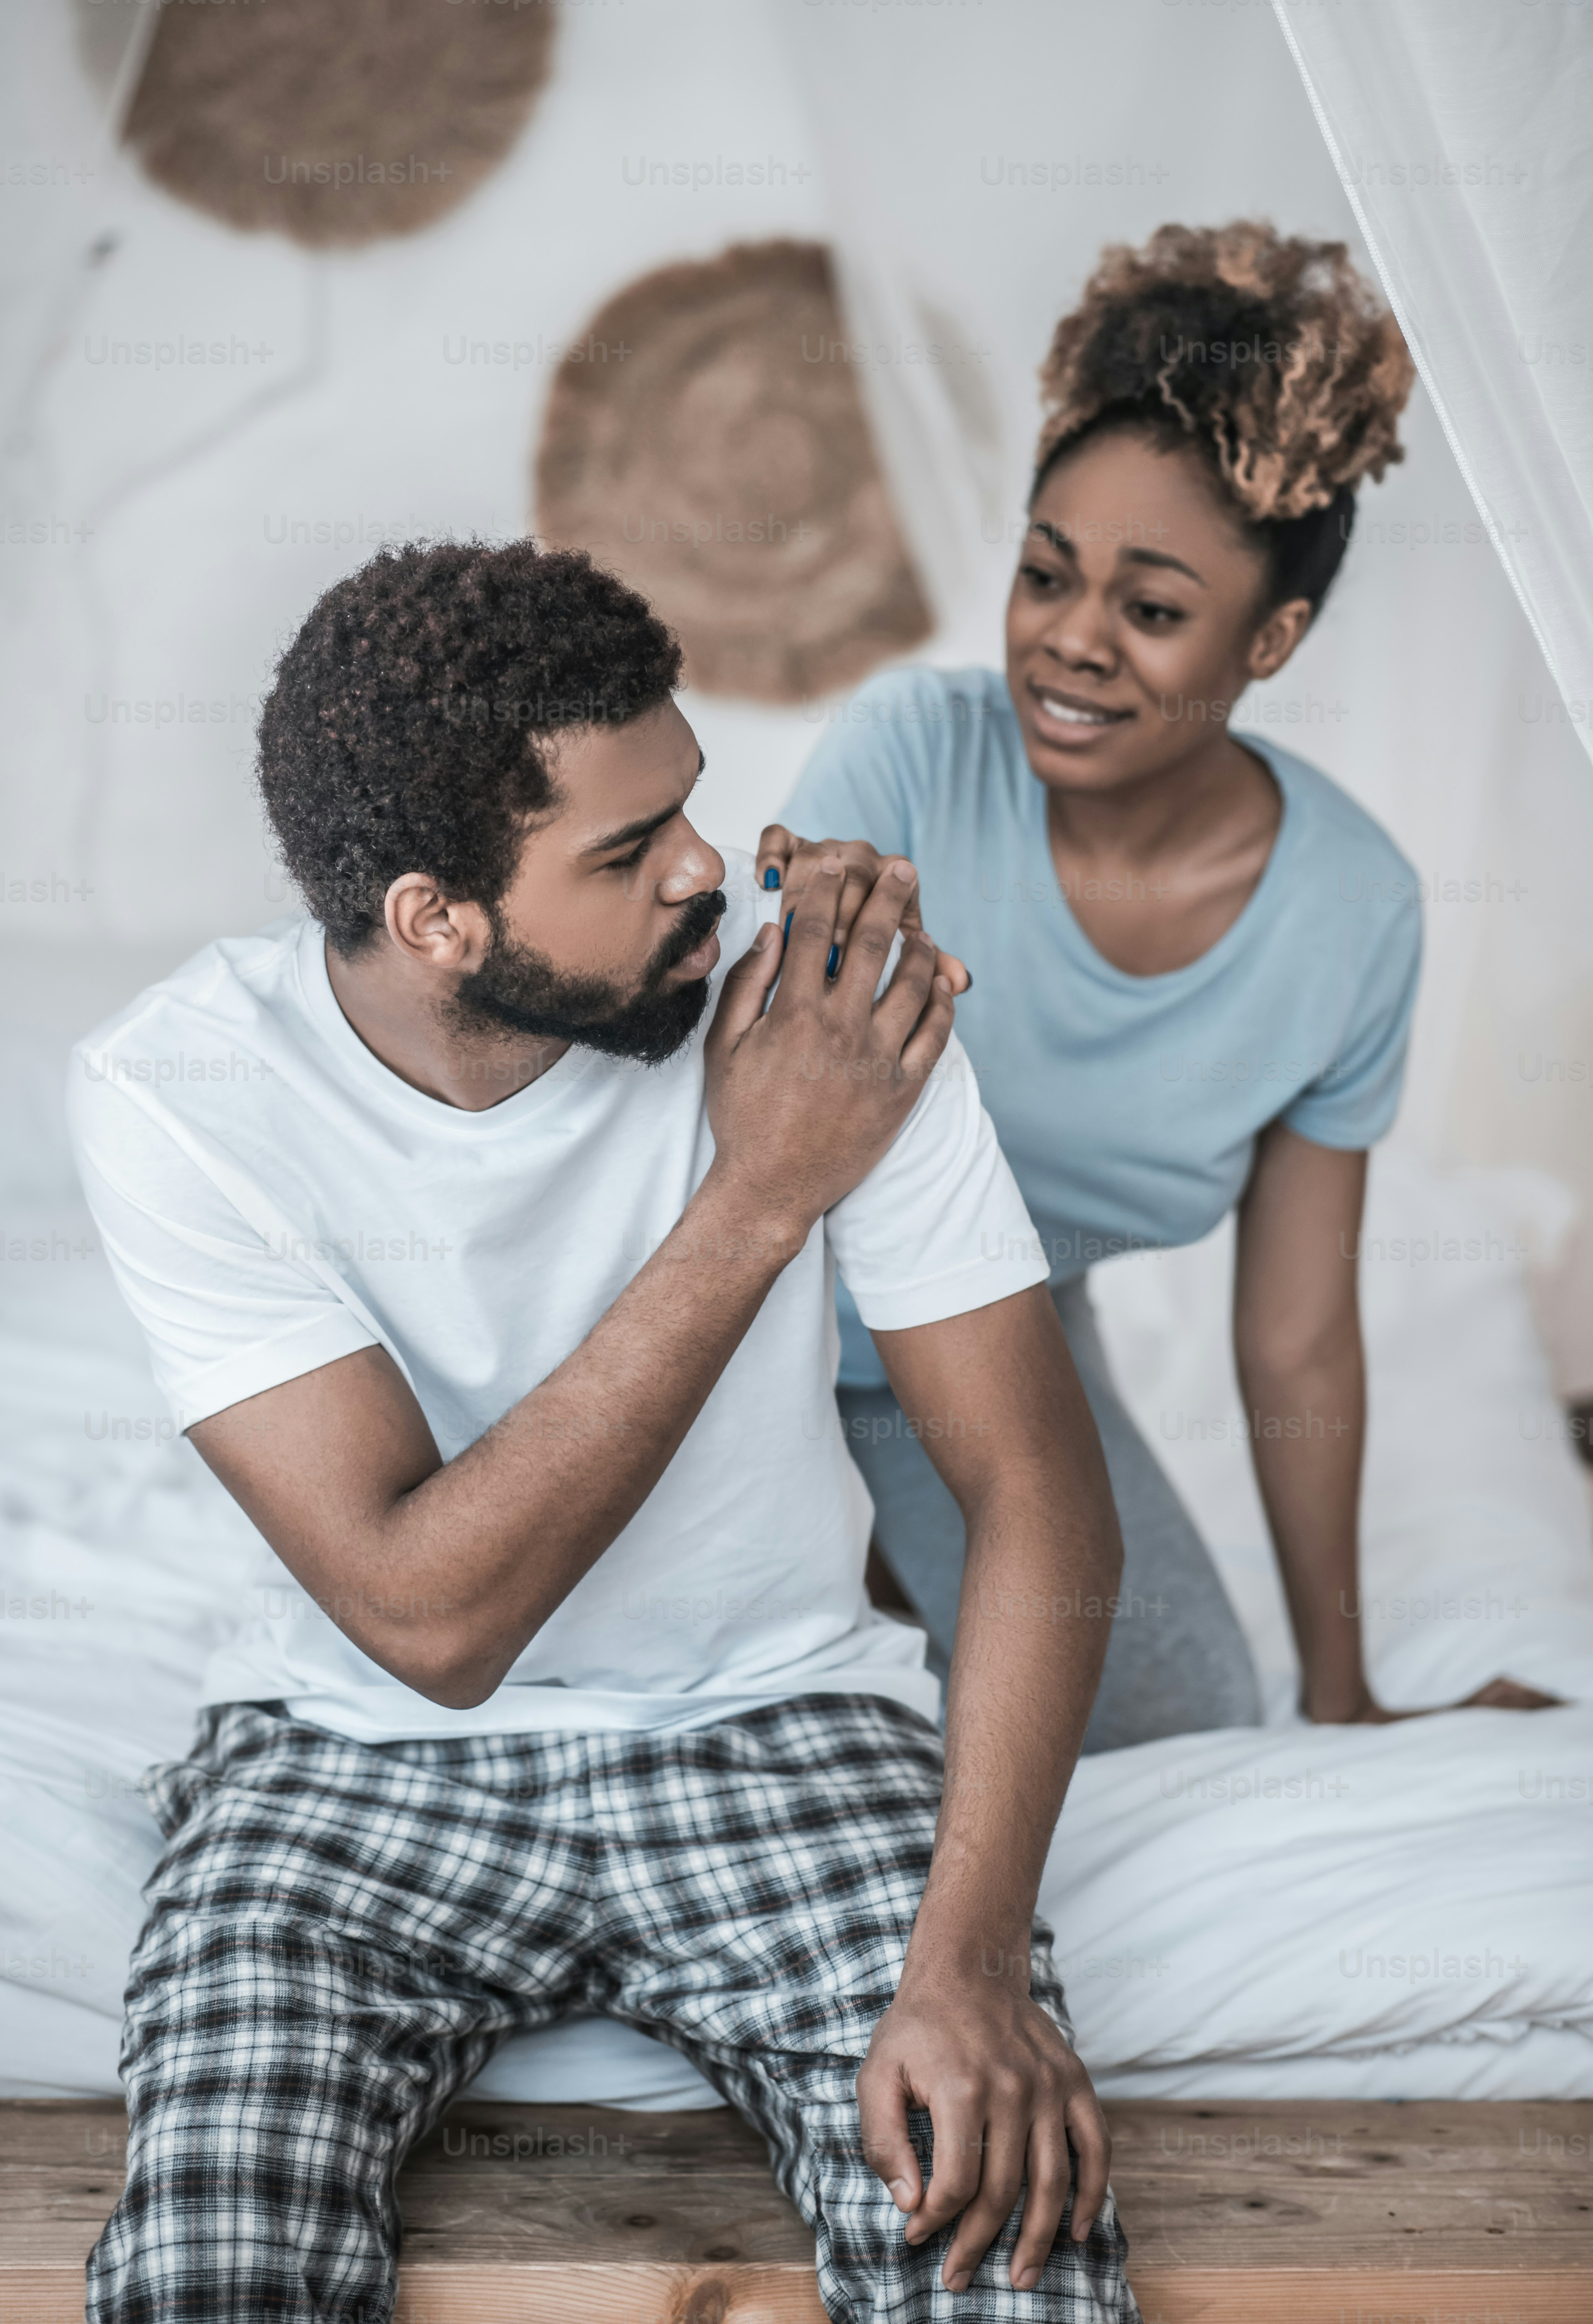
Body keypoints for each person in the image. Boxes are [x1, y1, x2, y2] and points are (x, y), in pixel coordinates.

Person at [68, 539, 1141, 2324]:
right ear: (438, 920)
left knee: (1010, 2262)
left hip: (781, 1718)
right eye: (628, 855)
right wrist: (759, 1192)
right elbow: (432, 1622)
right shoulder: (179, 1089)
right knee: (210, 2274)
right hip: (353, 1759)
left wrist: (968, 1965)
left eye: (689, 808)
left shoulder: (826, 1008)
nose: (705, 871)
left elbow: (1037, 1489)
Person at [776, 220, 1556, 1743]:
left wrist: (1341, 1696)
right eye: (1046, 574)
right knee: (754, 1704)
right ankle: (857, 1587)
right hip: (749, 1328)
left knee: (1189, 1722)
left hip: (989, 1357)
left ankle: (900, 1581)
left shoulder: (1352, 914)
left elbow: (1296, 1337)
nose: (1069, 644)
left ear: (1271, 637)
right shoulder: (907, 754)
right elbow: (766, 1136)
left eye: (1150, 610)